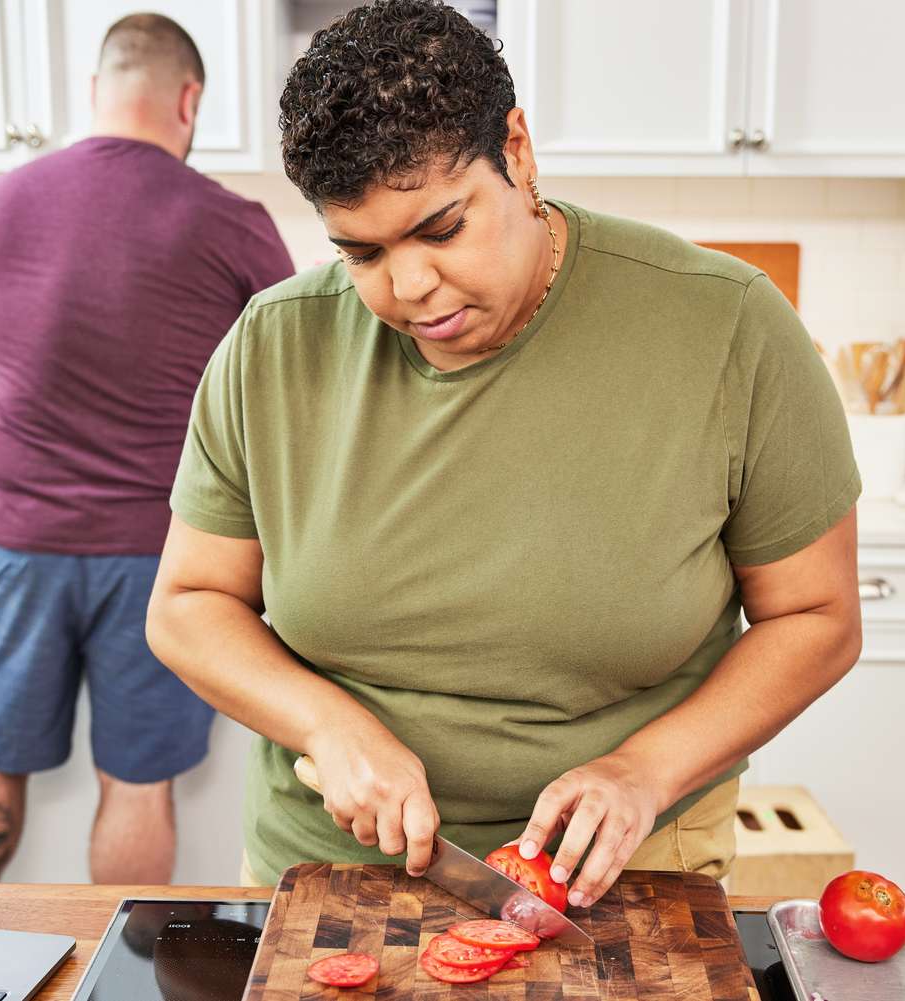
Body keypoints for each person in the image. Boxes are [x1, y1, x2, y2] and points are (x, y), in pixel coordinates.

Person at [147, 0, 861, 907]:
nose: (408, 288)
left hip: (626, 876)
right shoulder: (273, 345)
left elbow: (817, 614)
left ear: (517, 151)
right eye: (360, 253)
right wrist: (326, 726)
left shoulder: (728, 327)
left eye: (442, 230)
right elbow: (187, 603)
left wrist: (644, 769)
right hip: (325, 881)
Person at [0, 12, 294, 883]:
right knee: (136, 786)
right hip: (160, 550)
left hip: (18, 538)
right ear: (189, 99)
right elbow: (290, 375)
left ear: (96, 92)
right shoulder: (230, 222)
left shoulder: (0, 201)